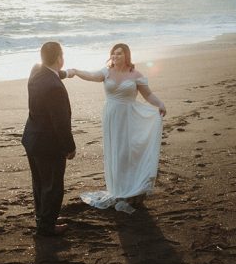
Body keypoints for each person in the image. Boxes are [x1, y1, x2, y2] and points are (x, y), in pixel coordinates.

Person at [68, 43, 166, 214]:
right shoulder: (106, 72)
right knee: (115, 152)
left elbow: (147, 94)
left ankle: (133, 189)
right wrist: (76, 71)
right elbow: (91, 75)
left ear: (127, 55)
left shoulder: (136, 75)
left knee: (128, 152)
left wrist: (160, 104)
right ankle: (119, 190)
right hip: (111, 117)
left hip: (130, 117)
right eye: (113, 54)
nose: (115, 56)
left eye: (119, 54)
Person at [21, 41, 76, 237]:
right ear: (60, 58)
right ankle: (47, 227)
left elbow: (52, 72)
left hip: (31, 139)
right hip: (48, 144)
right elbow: (60, 123)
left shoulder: (35, 71)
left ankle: (42, 218)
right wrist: (70, 147)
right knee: (53, 186)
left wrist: (68, 73)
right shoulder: (55, 88)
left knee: (39, 183)